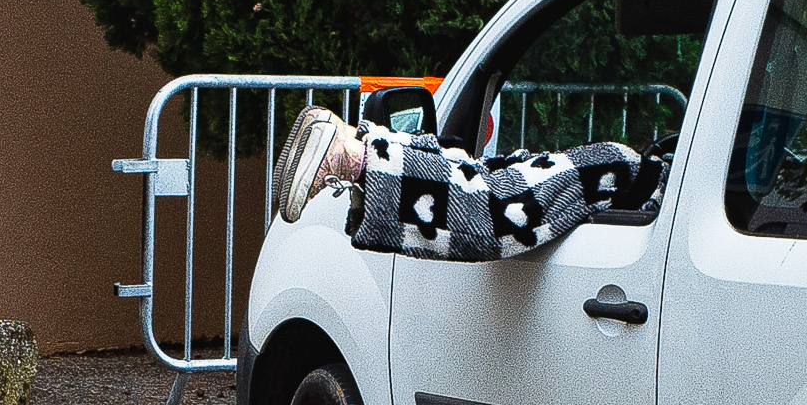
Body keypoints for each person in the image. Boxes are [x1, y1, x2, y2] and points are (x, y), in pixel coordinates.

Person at [271, 105, 643, 261]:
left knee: (497, 187)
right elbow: (495, 202)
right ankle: (353, 150)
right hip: (643, 174)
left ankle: (354, 148)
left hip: (647, 175)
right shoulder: (626, 166)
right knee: (500, 189)